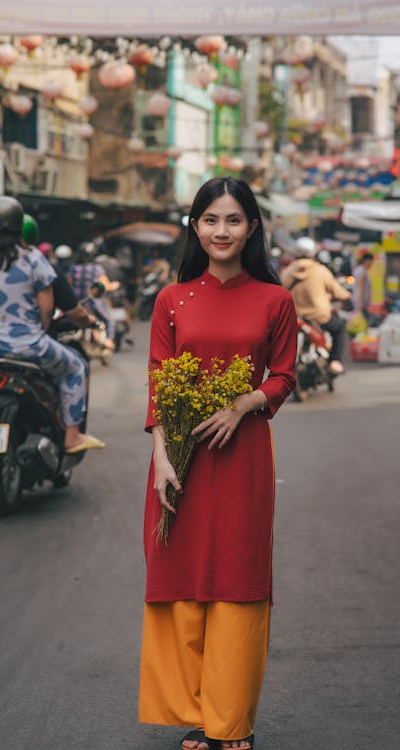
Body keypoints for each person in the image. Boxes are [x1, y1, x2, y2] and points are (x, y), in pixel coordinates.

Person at [139, 177, 298, 750]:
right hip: (181, 456)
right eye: (210, 220)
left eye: (233, 220)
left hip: (243, 457)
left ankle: (232, 722)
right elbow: (159, 380)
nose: (221, 231)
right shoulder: (171, 299)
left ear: (252, 228)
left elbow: (283, 375)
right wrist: (160, 457)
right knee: (183, 579)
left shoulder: (275, 300)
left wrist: (244, 403)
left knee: (236, 580)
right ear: (195, 227)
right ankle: (196, 713)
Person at [0, 196, 104, 454]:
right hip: (29, 347)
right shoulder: (34, 259)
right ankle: (71, 437)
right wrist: (39, 329)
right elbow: (46, 307)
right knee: (75, 368)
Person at [280, 236, 351, 375]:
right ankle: (335, 362)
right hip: (319, 316)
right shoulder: (320, 270)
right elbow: (337, 290)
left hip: (294, 317)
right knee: (340, 329)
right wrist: (348, 298)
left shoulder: (286, 272)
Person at [352, 252, 374, 321]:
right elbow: (361, 288)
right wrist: (361, 304)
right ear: (366, 261)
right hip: (360, 302)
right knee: (361, 321)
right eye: (371, 262)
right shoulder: (361, 271)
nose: (371, 264)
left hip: (361, 302)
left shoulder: (361, 270)